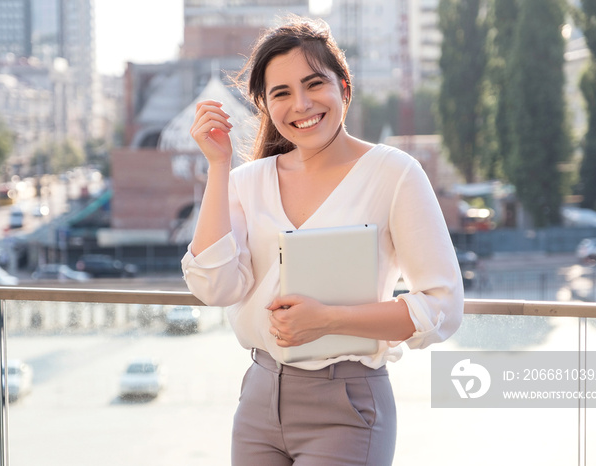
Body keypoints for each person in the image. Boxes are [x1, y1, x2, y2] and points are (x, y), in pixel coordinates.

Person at [182, 15, 463, 466]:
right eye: (281, 93)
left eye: (315, 84)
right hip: (258, 399)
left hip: (347, 405)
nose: (301, 104)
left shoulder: (394, 173)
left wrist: (329, 319)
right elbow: (216, 287)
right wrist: (218, 166)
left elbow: (442, 307)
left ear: (344, 88)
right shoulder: (245, 182)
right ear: (264, 106)